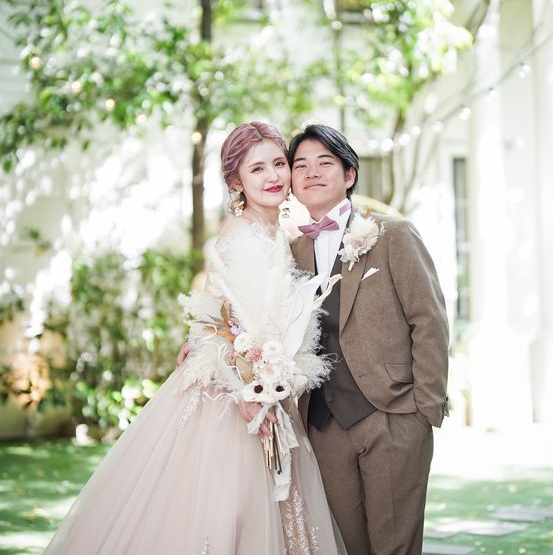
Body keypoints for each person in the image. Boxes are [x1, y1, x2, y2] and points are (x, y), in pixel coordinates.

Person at [45, 122, 345, 555]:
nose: (273, 176)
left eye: (279, 163)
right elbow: (213, 324)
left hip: (268, 388)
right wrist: (248, 389)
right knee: (230, 510)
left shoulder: (280, 232)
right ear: (235, 181)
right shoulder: (239, 232)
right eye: (257, 168)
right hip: (234, 396)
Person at [288, 124, 449, 555]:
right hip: (323, 424)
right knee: (345, 545)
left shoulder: (393, 234)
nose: (312, 172)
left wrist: (424, 410)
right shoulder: (293, 252)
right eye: (300, 165)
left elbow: (429, 320)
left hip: (394, 416)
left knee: (394, 546)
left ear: (349, 174)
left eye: (325, 162)